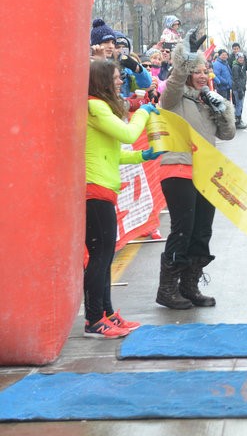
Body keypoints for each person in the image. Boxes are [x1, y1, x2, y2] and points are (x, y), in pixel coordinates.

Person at [84, 59, 165, 338]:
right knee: (99, 257)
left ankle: (106, 314)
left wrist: (141, 156)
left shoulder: (100, 107)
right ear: (102, 80)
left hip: (104, 189)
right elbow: (130, 132)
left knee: (105, 257)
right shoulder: (94, 107)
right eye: (117, 78)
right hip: (94, 190)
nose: (121, 82)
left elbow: (114, 152)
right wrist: (142, 111)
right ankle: (94, 320)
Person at [156, 31, 236, 309]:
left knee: (202, 231)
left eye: (206, 71)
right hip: (178, 169)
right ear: (189, 73)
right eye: (197, 71)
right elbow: (174, 82)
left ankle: (189, 286)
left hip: (205, 173)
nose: (203, 76)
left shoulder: (207, 101)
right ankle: (167, 289)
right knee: (183, 229)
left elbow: (228, 134)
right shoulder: (175, 98)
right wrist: (185, 58)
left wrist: (223, 109)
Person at [231, 52, 247, 129]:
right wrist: (239, 90)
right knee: (239, 105)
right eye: (240, 58)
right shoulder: (236, 67)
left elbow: (243, 77)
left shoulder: (241, 66)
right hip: (237, 89)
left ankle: (238, 120)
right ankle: (237, 122)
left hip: (241, 88)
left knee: (240, 105)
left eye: (242, 58)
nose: (241, 59)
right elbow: (236, 79)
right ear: (237, 58)